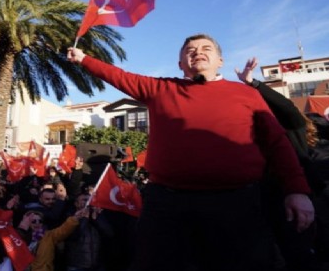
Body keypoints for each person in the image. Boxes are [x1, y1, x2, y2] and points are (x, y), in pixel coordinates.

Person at [67, 33, 315, 271]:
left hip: (236, 205)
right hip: (167, 205)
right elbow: (118, 75)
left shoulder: (247, 94)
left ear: (220, 61)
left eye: (206, 49)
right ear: (180, 63)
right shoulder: (160, 89)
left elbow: (277, 144)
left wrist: (297, 190)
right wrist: (83, 59)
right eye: (190, 50)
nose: (197, 53)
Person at [236, 57, 328, 270]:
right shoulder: (254, 136)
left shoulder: (291, 128)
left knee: (304, 253)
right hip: (266, 203)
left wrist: (254, 83)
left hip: (300, 201)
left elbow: (286, 107)